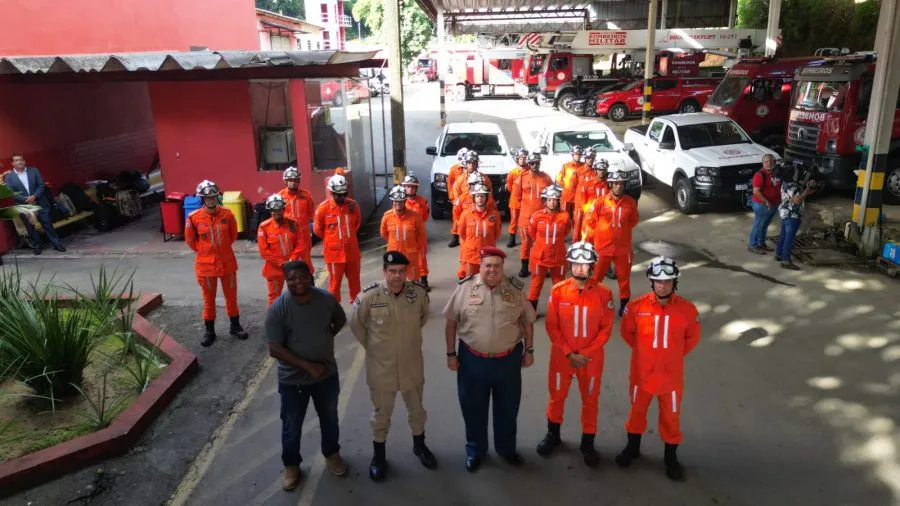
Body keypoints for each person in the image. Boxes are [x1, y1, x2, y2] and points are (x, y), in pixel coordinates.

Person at [443, 246, 536, 473]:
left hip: (508, 361)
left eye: (497, 266)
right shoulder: (465, 289)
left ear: (503, 269)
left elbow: (527, 321)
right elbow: (451, 323)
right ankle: (475, 450)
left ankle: (506, 450)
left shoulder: (514, 290)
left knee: (508, 408)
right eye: (488, 266)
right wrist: (451, 354)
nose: (492, 270)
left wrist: (529, 349)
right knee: (473, 408)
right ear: (480, 267)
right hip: (473, 361)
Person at [350, 251, 436, 481]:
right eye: (392, 271)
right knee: (381, 414)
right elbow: (355, 322)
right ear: (384, 271)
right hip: (381, 367)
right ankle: (379, 457)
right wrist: (372, 346)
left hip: (411, 364)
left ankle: (420, 446)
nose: (397, 276)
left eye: (401, 271)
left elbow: (423, 318)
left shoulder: (417, 294)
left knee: (417, 410)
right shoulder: (370, 295)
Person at [265, 261, 349, 491]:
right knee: (291, 424)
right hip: (293, 381)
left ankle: (332, 454)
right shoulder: (278, 309)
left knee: (330, 418)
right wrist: (308, 365)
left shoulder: (325, 299)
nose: (298, 282)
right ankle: (291, 465)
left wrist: (326, 336)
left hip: (326, 374)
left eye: (302, 276)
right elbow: (275, 348)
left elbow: (339, 318)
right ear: (285, 280)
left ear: (310, 276)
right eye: (292, 278)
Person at [615, 256, 701, 482]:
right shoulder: (635, 307)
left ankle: (670, 457)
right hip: (641, 374)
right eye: (658, 281)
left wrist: (669, 356)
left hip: (671, 378)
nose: (662, 285)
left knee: (671, 418)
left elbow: (691, 339)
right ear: (651, 282)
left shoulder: (687, 310)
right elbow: (627, 334)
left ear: (675, 282)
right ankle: (633, 448)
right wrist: (647, 355)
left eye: (668, 281)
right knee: (636, 412)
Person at [537, 241, 614, 467]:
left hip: (591, 359)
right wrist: (570, 352)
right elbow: (552, 326)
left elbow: (606, 329)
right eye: (576, 264)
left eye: (585, 264)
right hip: (562, 357)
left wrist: (585, 353)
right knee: (557, 397)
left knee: (590, 401)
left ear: (592, 266)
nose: (580, 268)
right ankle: (553, 435)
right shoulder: (558, 291)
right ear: (570, 264)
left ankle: (587, 443)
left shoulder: (604, 293)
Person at [185, 180, 248, 346]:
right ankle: (209, 331)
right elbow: (191, 241)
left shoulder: (227, 215)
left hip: (227, 263)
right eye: (208, 198)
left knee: (231, 297)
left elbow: (233, 236)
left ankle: (235, 326)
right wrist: (207, 252)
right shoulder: (193, 218)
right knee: (208, 299)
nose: (211, 200)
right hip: (205, 266)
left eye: (214, 197)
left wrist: (221, 250)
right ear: (203, 199)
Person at [586, 170, 639, 317]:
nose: (619, 186)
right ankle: (593, 302)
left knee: (624, 278)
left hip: (623, 248)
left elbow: (633, 220)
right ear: (610, 184)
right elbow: (590, 221)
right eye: (616, 183)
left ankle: (624, 305)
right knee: (596, 277)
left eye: (621, 184)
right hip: (603, 248)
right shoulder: (600, 202)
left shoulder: (630, 202)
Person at [2, 153, 65, 254]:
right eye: (17, 160)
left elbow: (41, 185)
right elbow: (11, 192)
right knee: (30, 227)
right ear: (12, 163)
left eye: (21, 160)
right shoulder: (9, 176)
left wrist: (34, 196)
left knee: (47, 223)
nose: (20, 162)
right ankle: (37, 246)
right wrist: (25, 199)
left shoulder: (34, 170)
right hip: (24, 205)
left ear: (24, 161)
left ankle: (57, 244)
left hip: (39, 201)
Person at [314, 174, 362, 303]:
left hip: (352, 252)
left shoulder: (353, 206)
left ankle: (357, 309)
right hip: (334, 255)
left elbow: (356, 224)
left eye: (343, 194)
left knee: (355, 283)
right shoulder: (323, 209)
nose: (341, 198)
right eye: (337, 195)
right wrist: (333, 240)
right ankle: (334, 312)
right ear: (331, 192)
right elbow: (318, 230)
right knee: (334, 285)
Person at [524, 184, 570, 310]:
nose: (552, 203)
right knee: (536, 284)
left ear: (558, 201)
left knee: (559, 284)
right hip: (540, 256)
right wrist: (542, 243)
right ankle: (531, 311)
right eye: (549, 200)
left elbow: (566, 231)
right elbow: (532, 232)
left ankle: (560, 310)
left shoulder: (565, 216)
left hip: (558, 256)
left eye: (555, 200)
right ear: (545, 201)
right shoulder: (536, 216)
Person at [257, 194, 305, 305]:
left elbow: (300, 243)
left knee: (296, 295)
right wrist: (281, 263)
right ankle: (275, 321)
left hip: (292, 267)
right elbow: (264, 251)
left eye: (279, 209)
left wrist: (292, 260)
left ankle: (295, 319)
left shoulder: (293, 223)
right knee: (274, 299)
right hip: (274, 268)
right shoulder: (264, 227)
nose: (276, 212)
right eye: (273, 210)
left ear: (283, 209)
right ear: (270, 211)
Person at [512, 152, 553, 278]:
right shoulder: (522, 178)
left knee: (543, 243)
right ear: (529, 164)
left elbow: (552, 195)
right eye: (532, 163)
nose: (535, 165)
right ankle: (524, 267)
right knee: (526, 242)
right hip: (526, 218)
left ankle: (544, 266)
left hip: (542, 217)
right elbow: (516, 197)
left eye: (537, 163)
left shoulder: (546, 178)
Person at [380, 186, 427, 281]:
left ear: (405, 201)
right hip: (394, 255)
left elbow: (420, 235)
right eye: (396, 201)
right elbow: (383, 233)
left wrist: (417, 250)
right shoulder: (387, 217)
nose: (398, 204)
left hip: (411, 255)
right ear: (392, 201)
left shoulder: (415, 217)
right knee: (394, 283)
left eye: (400, 201)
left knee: (413, 284)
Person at [456, 183, 502, 279]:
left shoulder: (494, 215)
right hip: (471, 256)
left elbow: (497, 234)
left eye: (482, 196)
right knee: (470, 282)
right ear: (474, 198)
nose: (480, 198)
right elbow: (461, 233)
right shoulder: (466, 214)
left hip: (488, 255)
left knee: (487, 282)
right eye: (477, 196)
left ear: (486, 198)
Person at [776, 169, 819, 270]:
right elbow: (797, 200)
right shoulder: (792, 185)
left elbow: (794, 197)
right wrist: (807, 191)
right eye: (795, 172)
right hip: (793, 214)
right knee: (789, 238)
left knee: (783, 234)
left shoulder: (785, 183)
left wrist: (807, 191)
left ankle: (779, 254)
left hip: (785, 212)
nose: (798, 173)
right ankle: (785, 260)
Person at [449, 151, 492, 247]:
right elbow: (457, 206)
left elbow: (490, 199)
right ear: (465, 164)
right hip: (467, 219)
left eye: (474, 163)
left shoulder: (485, 179)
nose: (471, 165)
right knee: (466, 247)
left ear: (477, 164)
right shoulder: (460, 180)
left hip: (482, 217)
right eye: (469, 163)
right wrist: (461, 223)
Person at [277, 166, 316, 273]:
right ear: (285, 181)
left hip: (303, 235)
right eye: (290, 180)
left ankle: (310, 284)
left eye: (295, 180)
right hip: (287, 235)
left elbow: (310, 213)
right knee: (290, 263)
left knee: (306, 262)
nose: (292, 183)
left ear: (298, 181)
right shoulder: (280, 197)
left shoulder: (306, 196)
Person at [400, 174, 431, 289]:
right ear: (404, 187)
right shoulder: (401, 202)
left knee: (421, 258)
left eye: (413, 187)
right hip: (406, 236)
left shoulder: (422, 202)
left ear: (416, 188)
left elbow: (426, 217)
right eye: (408, 186)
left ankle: (424, 281)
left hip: (419, 235)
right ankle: (407, 281)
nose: (410, 189)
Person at [748, 154, 781, 255]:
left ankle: (761, 243)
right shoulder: (760, 175)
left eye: (771, 161)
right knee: (758, 224)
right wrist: (766, 201)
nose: (769, 163)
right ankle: (752, 245)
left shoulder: (776, 173)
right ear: (763, 163)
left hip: (774, 203)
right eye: (766, 161)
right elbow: (756, 191)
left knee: (765, 224)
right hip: (762, 204)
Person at [574, 157, 607, 241]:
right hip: (590, 217)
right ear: (596, 170)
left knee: (602, 239)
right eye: (599, 169)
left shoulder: (609, 185)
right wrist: (589, 212)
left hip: (604, 217)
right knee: (587, 239)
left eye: (603, 170)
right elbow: (583, 200)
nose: (601, 172)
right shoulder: (588, 184)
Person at [506, 148, 529, 247]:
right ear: (517, 159)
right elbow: (509, 185)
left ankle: (529, 238)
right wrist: (516, 194)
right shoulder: (513, 172)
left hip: (527, 201)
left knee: (528, 220)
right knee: (514, 220)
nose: (522, 160)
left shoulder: (530, 172)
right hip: (515, 201)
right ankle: (512, 238)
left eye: (524, 158)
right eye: (520, 158)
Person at [556, 146, 585, 219]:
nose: (578, 156)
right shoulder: (566, 166)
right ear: (572, 154)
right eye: (576, 154)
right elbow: (558, 179)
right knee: (564, 216)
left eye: (579, 154)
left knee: (577, 217)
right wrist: (566, 187)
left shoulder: (584, 166)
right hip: (567, 197)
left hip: (579, 196)